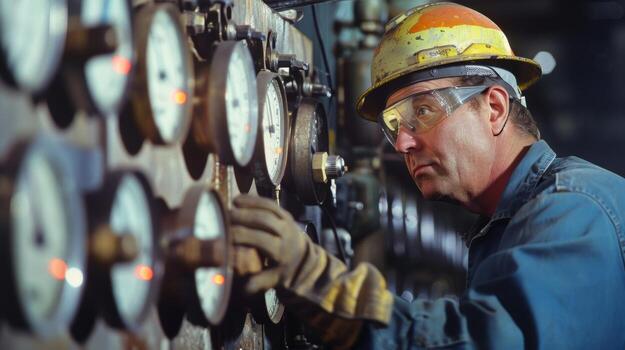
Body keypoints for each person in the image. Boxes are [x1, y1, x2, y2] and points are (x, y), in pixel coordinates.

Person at [230, 2, 625, 349]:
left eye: (422, 112)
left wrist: (325, 289)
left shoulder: (576, 209)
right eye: (393, 124)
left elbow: (489, 341)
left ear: (494, 108)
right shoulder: (507, 226)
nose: (402, 143)